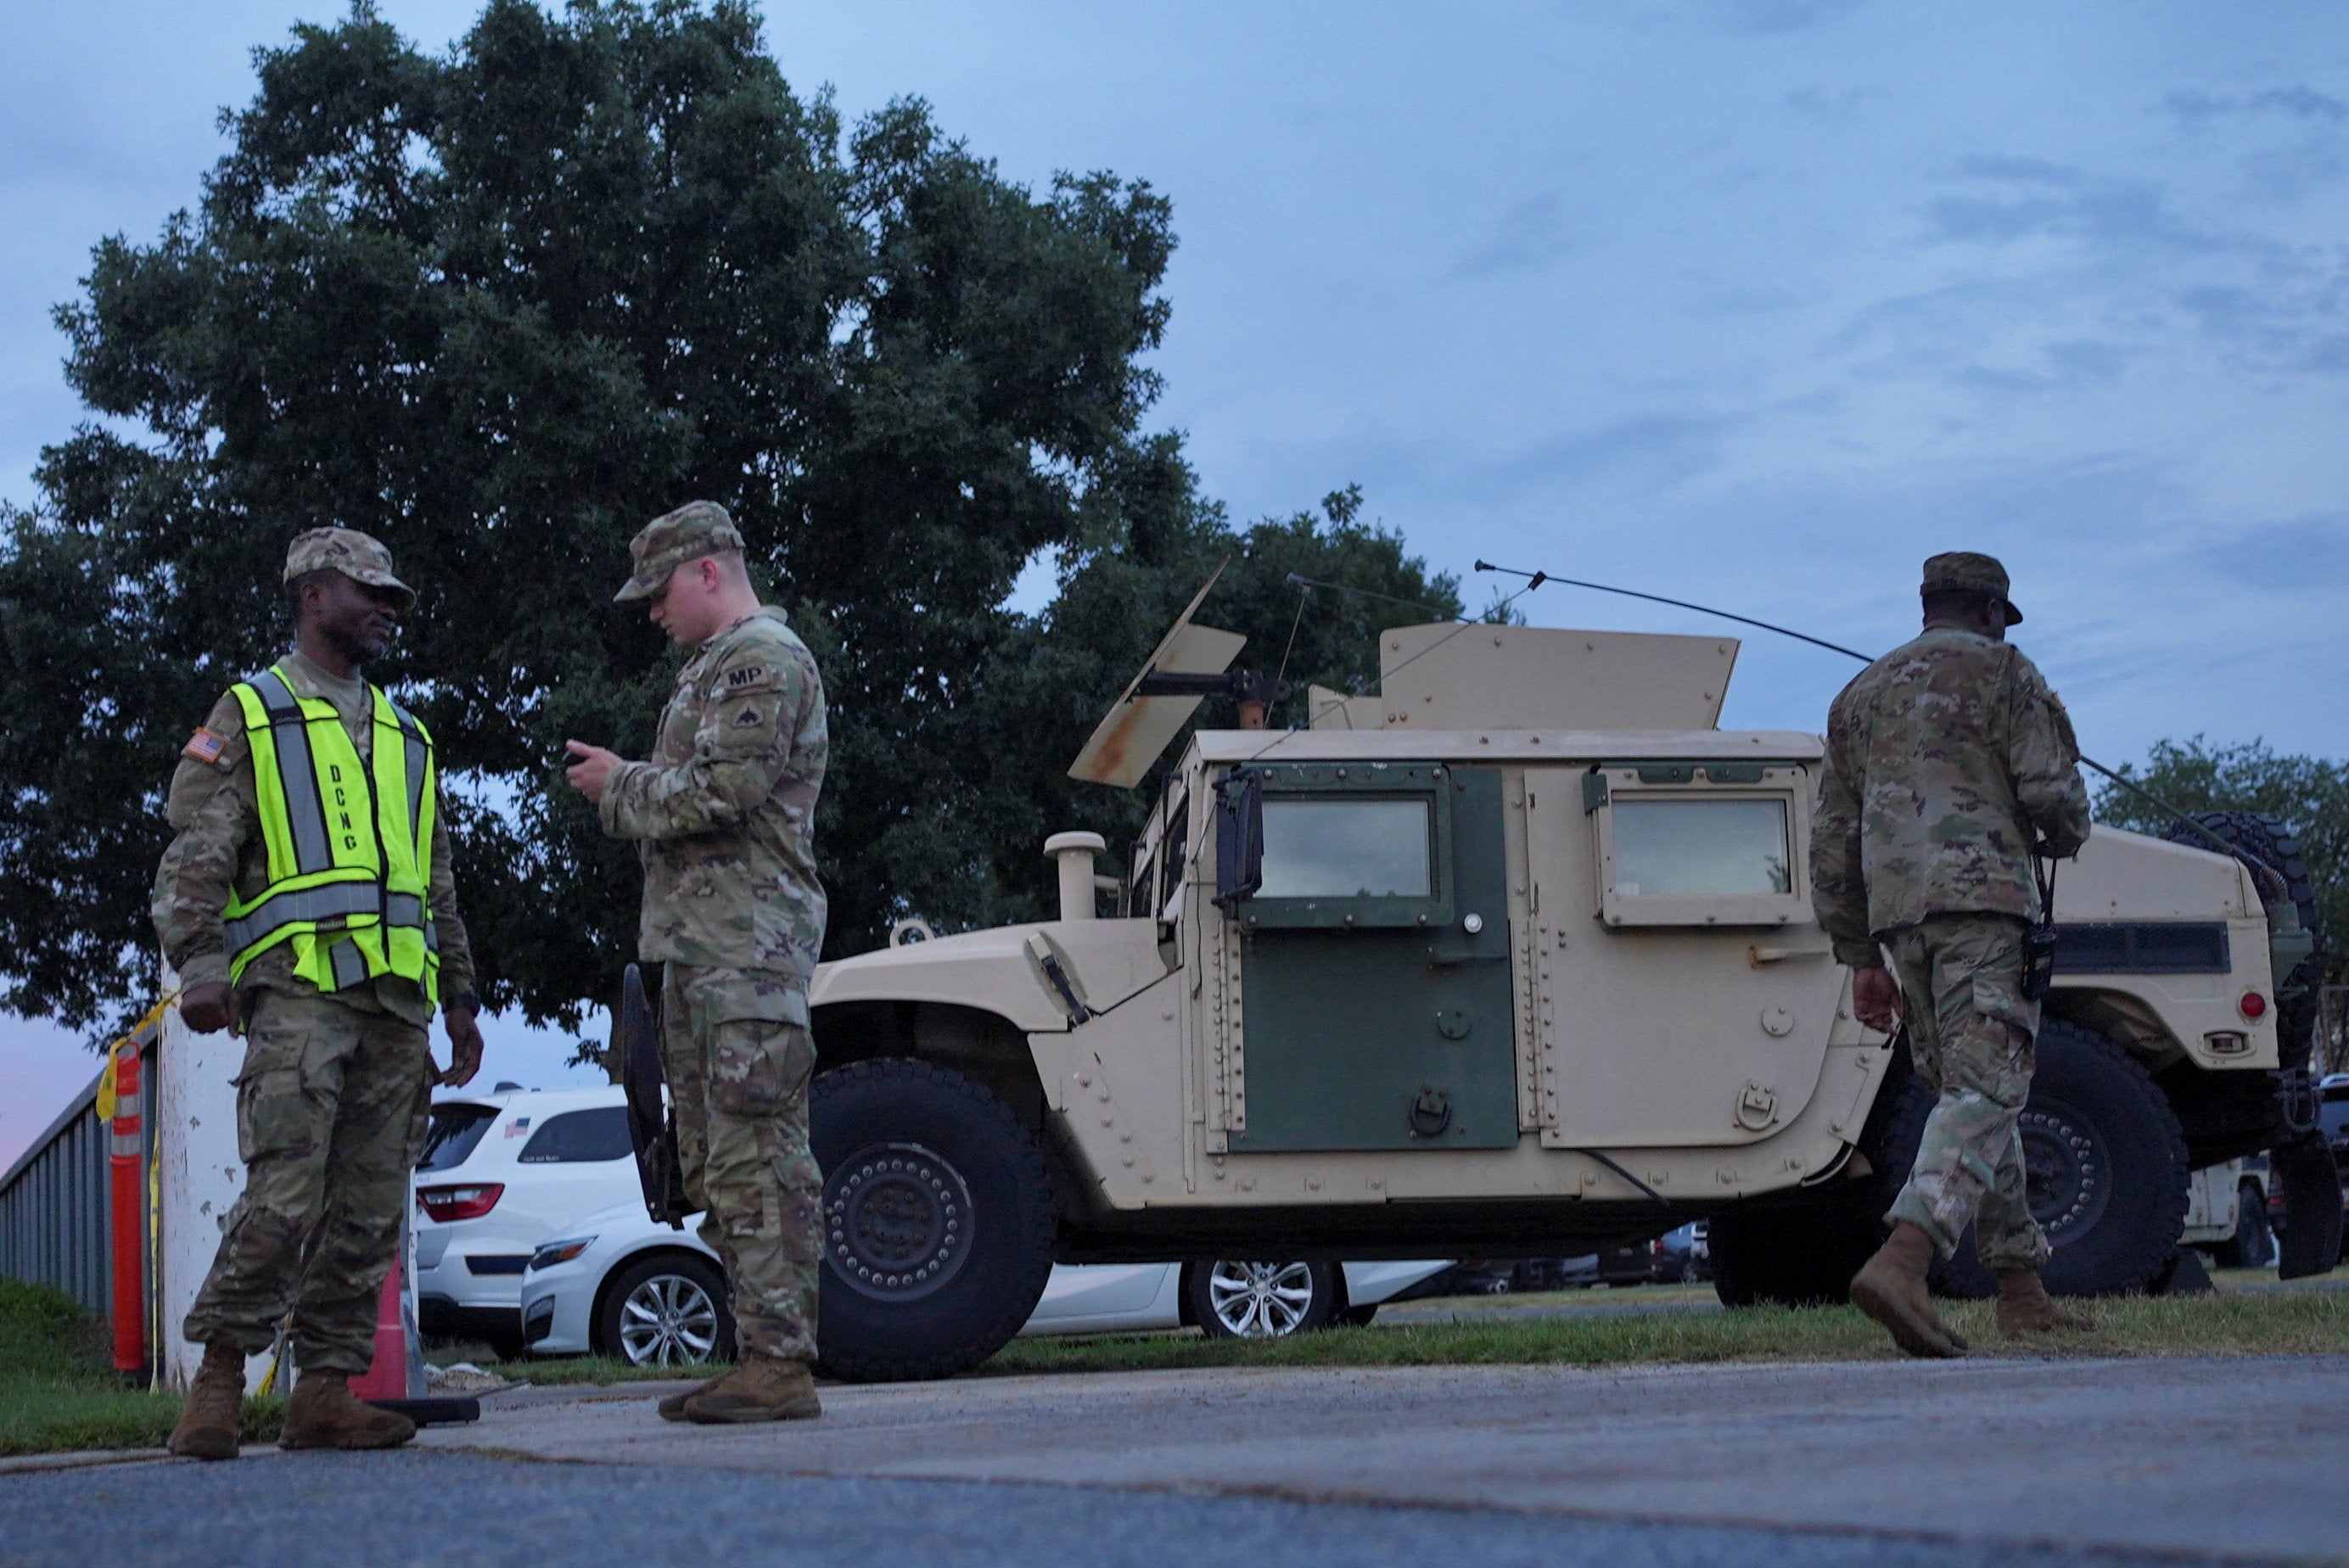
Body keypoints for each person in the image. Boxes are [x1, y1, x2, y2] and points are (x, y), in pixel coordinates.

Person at [157, 527, 485, 1459]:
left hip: (396, 1005)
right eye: (369, 591)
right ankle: (218, 1382)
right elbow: (194, 857)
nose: (386, 608)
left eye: (393, 597)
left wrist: (458, 995)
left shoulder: (405, 734)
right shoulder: (253, 712)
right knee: (284, 1194)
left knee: (370, 1206)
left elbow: (437, 880)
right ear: (311, 593)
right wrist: (201, 966)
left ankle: (326, 1393)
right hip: (298, 992)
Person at [563, 500, 828, 1423]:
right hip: (707, 955)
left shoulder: (761, 661)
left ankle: (781, 1362)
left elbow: (727, 790)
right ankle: (760, 1355)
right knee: (716, 1161)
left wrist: (617, 785)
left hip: (745, 956)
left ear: (709, 570)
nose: (651, 612)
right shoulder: (714, 669)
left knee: (757, 1155)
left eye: (659, 591)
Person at [1812, 552, 2094, 1358]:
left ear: (1929, 604)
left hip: (1902, 921)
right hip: (1984, 905)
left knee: (1967, 1098)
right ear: (1992, 611)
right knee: (1989, 1087)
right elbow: (2053, 797)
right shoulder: (2007, 672)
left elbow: (1832, 838)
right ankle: (1906, 1257)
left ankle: (2022, 1291)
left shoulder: (1859, 696)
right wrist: (2066, 830)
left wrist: (1859, 952)